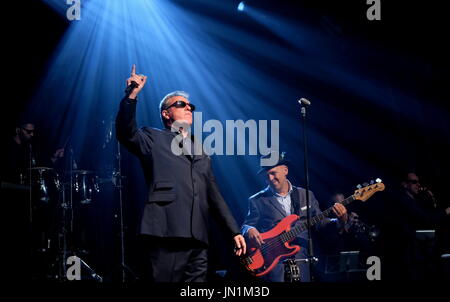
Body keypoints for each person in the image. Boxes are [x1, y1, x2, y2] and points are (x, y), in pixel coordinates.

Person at [115, 65, 246, 282]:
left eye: (190, 106)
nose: (188, 108)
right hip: (167, 231)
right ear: (166, 113)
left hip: (199, 237)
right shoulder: (153, 138)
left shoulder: (201, 149)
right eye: (180, 104)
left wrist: (233, 231)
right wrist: (132, 95)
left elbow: (214, 194)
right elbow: (125, 132)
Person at [240, 151, 348, 282]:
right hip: (274, 265)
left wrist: (339, 220)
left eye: (273, 173)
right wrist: (248, 229)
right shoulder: (257, 200)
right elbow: (246, 225)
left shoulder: (306, 195)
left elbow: (321, 223)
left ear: (285, 170)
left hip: (301, 261)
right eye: (267, 175)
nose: (270, 179)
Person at [383, 171, 450, 280]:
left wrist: (432, 200)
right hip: (406, 252)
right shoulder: (404, 200)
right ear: (405, 184)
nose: (418, 185)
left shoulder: (414, 200)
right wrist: (446, 212)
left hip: (415, 251)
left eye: (418, 182)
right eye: (414, 182)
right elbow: (426, 218)